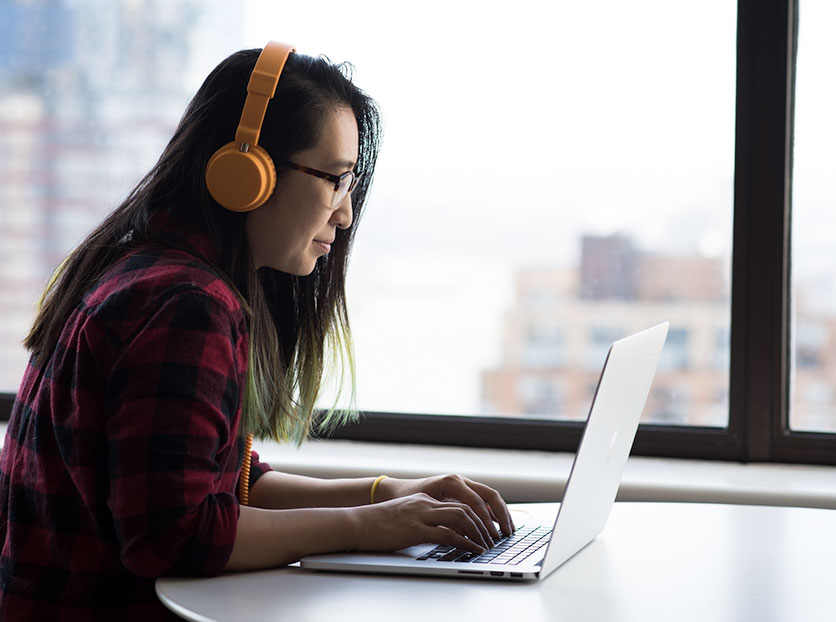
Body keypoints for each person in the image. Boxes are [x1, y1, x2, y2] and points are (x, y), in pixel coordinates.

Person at [0, 42, 514, 620]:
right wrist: (368, 527)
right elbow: (177, 534)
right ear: (247, 172)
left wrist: (387, 493)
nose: (344, 215)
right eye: (335, 180)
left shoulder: (154, 270)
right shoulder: (185, 304)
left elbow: (225, 483)